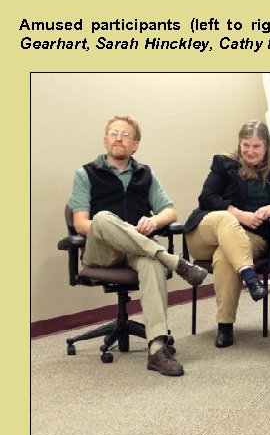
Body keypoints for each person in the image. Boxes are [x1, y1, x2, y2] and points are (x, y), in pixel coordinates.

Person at [68, 115, 209, 377]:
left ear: (136, 145)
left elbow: (171, 212)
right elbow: (80, 224)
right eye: (113, 133)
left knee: (151, 264)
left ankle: (157, 348)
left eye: (125, 135)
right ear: (104, 139)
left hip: (138, 251)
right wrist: (121, 229)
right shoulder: (86, 173)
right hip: (102, 251)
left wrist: (153, 220)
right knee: (101, 218)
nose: (118, 138)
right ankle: (175, 262)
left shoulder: (146, 174)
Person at [184, 120, 270, 348]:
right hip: (205, 234)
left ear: (267, 146)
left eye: (256, 146)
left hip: (252, 237)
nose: (250, 151)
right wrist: (240, 215)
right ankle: (250, 278)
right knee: (226, 219)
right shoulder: (224, 163)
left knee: (225, 256)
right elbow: (207, 198)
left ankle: (225, 326)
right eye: (245, 145)